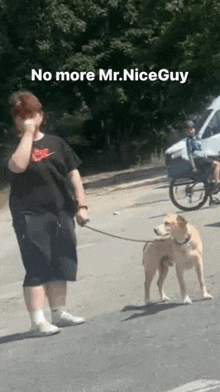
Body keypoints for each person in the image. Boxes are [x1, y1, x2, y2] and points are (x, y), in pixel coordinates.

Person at [7, 91, 88, 336]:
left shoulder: (57, 143)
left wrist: (81, 205)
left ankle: (59, 312)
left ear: (41, 116)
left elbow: (73, 173)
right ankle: (37, 321)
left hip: (61, 211)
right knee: (37, 265)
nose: (27, 119)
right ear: (16, 121)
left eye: (31, 114)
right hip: (30, 214)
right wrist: (28, 135)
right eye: (21, 116)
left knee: (61, 262)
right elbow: (17, 166)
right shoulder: (14, 147)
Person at [183, 120, 220, 187]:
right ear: (186, 132)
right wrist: (193, 167)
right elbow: (190, 154)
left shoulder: (196, 138)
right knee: (217, 164)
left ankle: (212, 181)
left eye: (191, 129)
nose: (191, 131)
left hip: (203, 158)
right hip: (199, 160)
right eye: (188, 131)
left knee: (217, 160)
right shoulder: (189, 141)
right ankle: (217, 182)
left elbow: (203, 150)